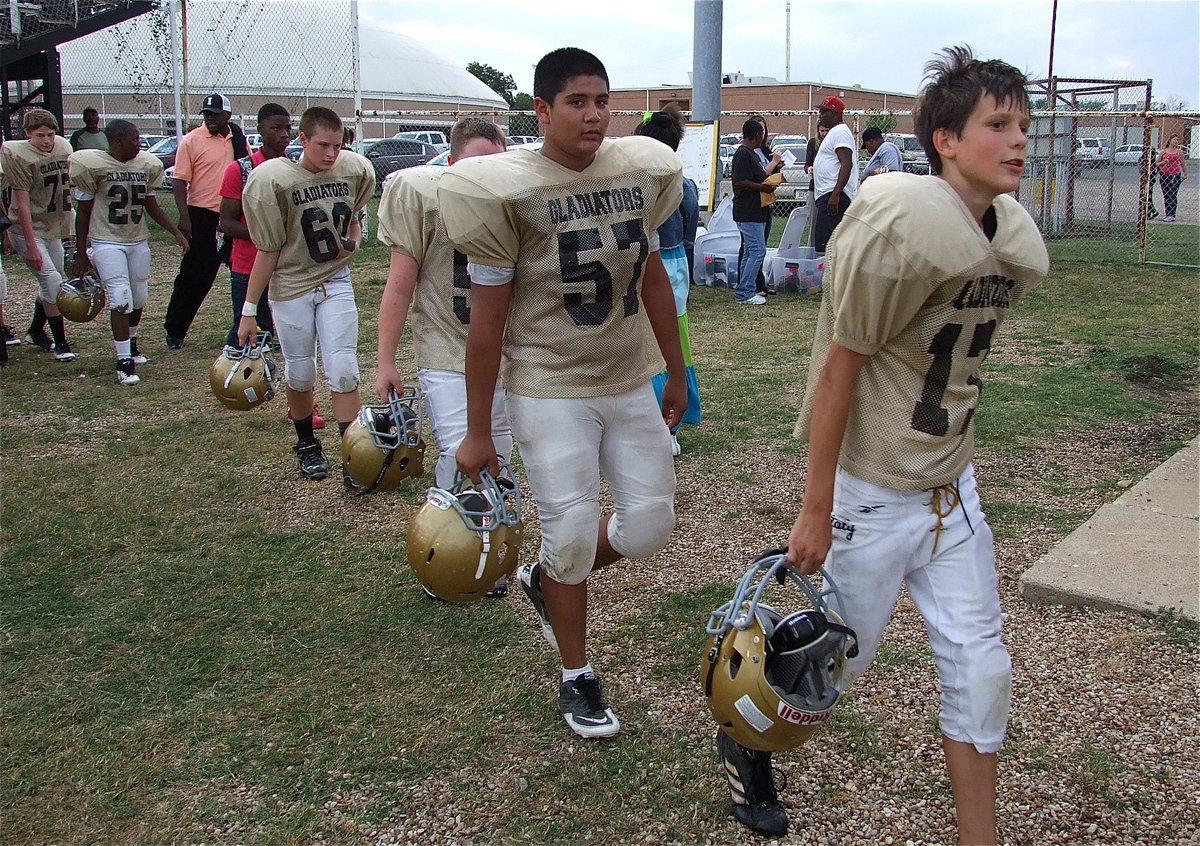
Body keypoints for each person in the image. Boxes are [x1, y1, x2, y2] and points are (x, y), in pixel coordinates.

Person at [728, 46, 1048, 843]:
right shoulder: (904, 222)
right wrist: (815, 507)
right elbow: (840, 370)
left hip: (952, 489)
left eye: (1024, 126)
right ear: (945, 139)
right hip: (874, 492)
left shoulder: (1000, 233)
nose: (1018, 141)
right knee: (823, 678)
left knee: (983, 672)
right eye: (997, 124)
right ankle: (745, 738)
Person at [440, 47, 686, 739]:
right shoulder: (504, 189)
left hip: (624, 375)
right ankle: (577, 674)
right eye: (577, 101)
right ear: (542, 110)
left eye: (603, 100)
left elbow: (654, 278)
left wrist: (677, 367)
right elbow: (485, 325)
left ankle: (548, 580)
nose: (595, 114)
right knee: (573, 530)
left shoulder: (639, 171)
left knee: (650, 526)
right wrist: (479, 428)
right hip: (549, 384)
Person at [237, 106, 375, 484]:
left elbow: (353, 218)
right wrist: (249, 311)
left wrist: (353, 238)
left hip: (335, 281)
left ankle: (352, 455)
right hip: (292, 285)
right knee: (300, 371)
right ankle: (307, 445)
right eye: (322, 145)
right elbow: (267, 251)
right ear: (302, 140)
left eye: (337, 144)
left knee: (344, 369)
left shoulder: (354, 169)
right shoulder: (274, 178)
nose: (331, 154)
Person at [69, 121, 190, 385]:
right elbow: (84, 212)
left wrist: (176, 232)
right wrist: (80, 252)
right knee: (120, 297)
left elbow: (151, 205)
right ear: (116, 142)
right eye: (133, 140)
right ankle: (123, 360)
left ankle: (131, 344)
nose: (139, 144)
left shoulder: (144, 166)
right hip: (107, 239)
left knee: (139, 296)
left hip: (137, 239)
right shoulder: (93, 165)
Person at [634, 106, 702, 455]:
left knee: (658, 346)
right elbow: (691, 224)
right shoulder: (683, 184)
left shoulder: (637, 186)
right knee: (674, 342)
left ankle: (665, 427)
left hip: (654, 269)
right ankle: (669, 423)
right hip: (676, 267)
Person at [163, 94, 248, 349]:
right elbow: (180, 180)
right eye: (206, 114)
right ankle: (175, 329)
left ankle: (253, 328)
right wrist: (184, 216)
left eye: (215, 114)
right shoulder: (192, 140)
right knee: (196, 275)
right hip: (202, 214)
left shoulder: (238, 139)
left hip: (232, 214)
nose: (210, 119)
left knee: (245, 273)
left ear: (228, 116)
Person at [0, 108, 77, 360]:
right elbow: (20, 201)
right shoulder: (17, 154)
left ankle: (35, 330)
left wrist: (72, 228)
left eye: (51, 134)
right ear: (27, 134)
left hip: (52, 225)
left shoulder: (63, 147)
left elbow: (65, 193)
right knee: (53, 283)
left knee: (54, 280)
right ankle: (61, 343)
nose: (47, 141)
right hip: (26, 229)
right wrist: (31, 245)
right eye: (41, 135)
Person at [730, 118, 775, 305]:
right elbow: (740, 182)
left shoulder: (752, 154)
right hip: (747, 211)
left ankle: (744, 290)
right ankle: (745, 292)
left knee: (750, 251)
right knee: (758, 250)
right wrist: (762, 187)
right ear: (757, 135)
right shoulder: (742, 155)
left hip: (757, 211)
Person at [810, 95, 859, 252]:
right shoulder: (835, 132)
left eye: (824, 111)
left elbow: (847, 164)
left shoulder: (840, 132)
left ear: (835, 113)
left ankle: (829, 276)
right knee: (825, 245)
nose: (821, 115)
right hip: (828, 195)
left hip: (834, 197)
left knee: (826, 248)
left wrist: (835, 195)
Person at [1157, 134, 1188, 222]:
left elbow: (1183, 164)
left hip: (1175, 175)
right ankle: (1167, 214)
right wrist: (1164, 162)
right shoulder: (1164, 151)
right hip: (1164, 175)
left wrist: (1185, 174)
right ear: (1170, 140)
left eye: (1177, 140)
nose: (1176, 141)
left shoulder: (1179, 152)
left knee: (1173, 194)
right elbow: (1157, 163)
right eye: (1174, 139)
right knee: (1166, 194)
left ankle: (1172, 214)